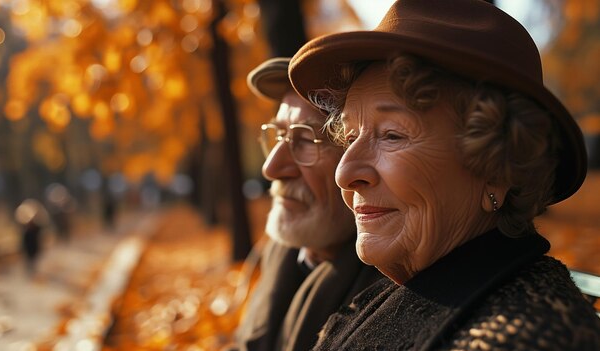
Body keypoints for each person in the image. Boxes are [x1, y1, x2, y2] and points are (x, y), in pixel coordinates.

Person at [288, 0, 600, 349]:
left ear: (497, 168)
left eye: (392, 135)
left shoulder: (524, 336)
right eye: (349, 138)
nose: (344, 173)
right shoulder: (390, 296)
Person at [234, 58, 384, 351]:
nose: (272, 167)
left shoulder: (392, 293)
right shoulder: (282, 252)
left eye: (305, 139)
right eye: (278, 135)